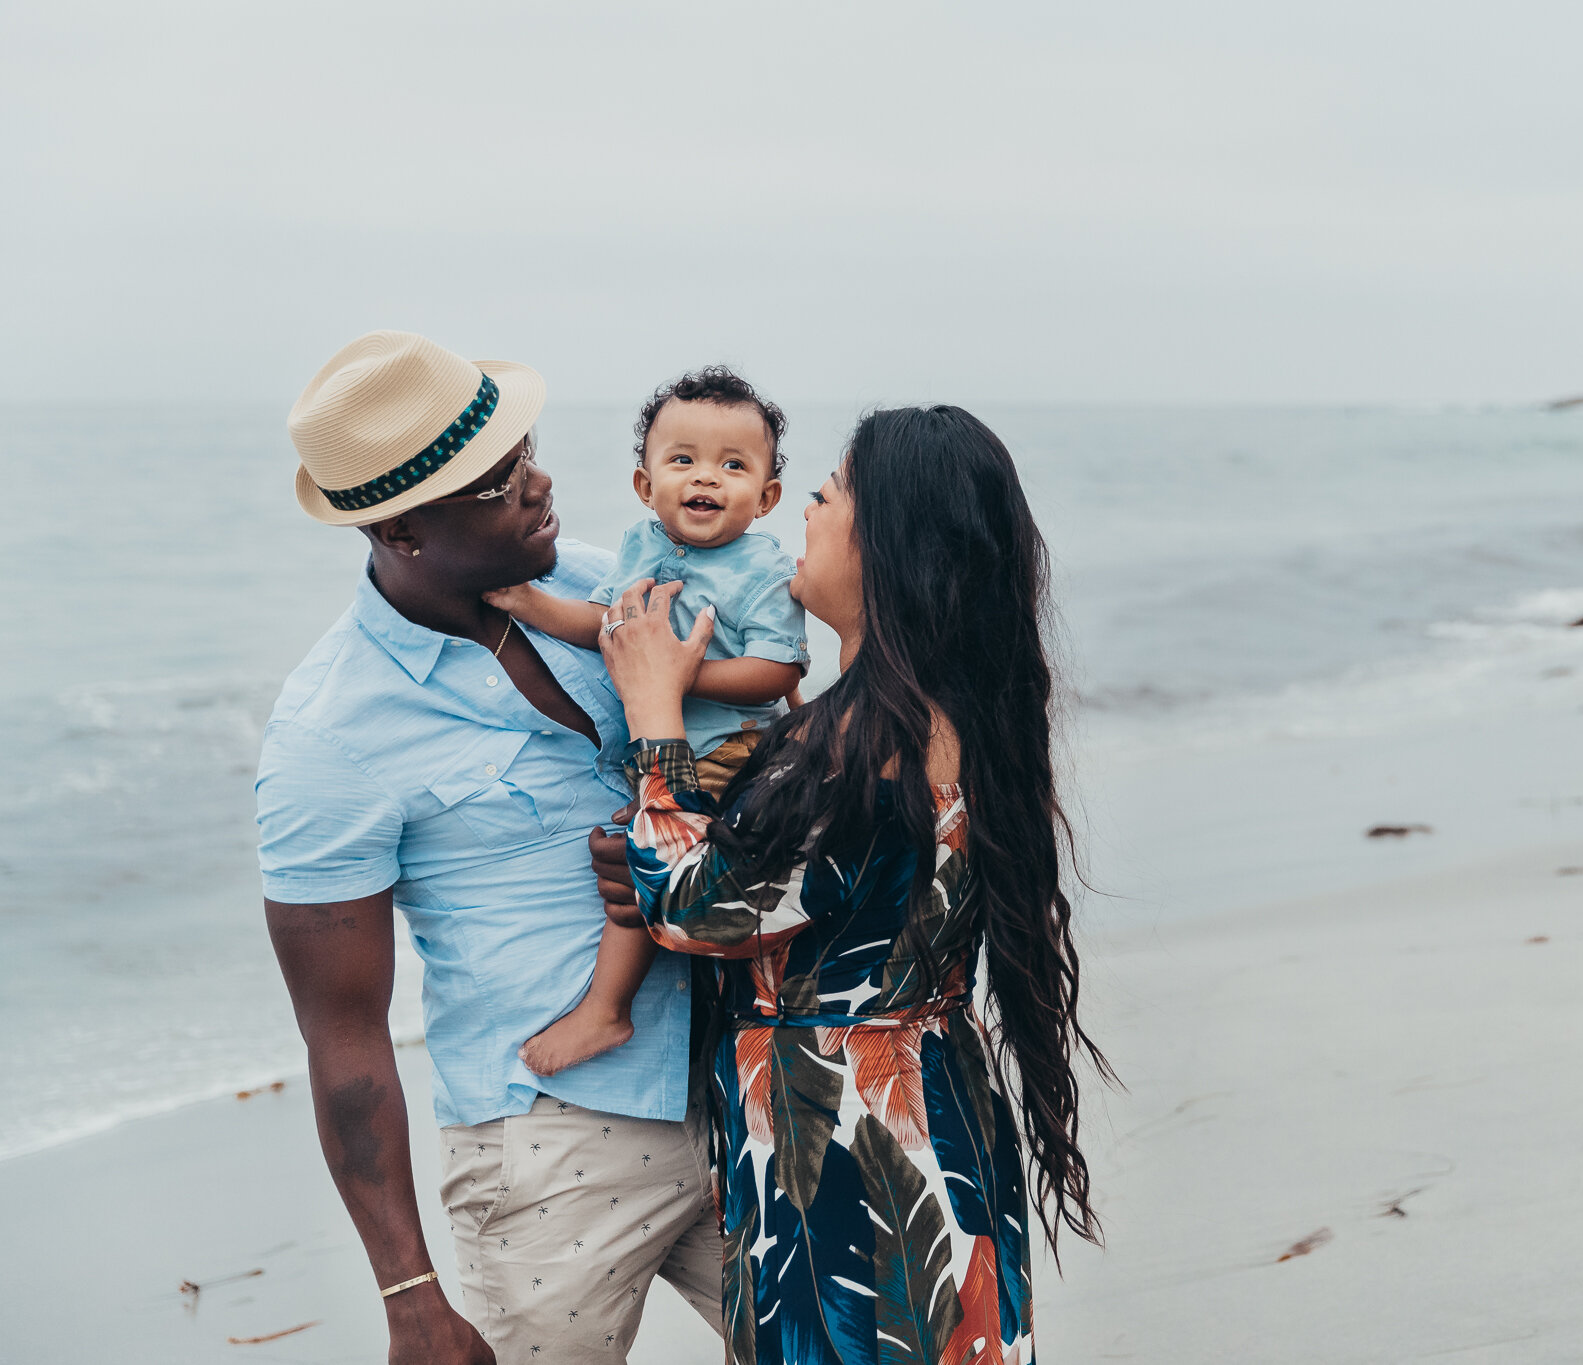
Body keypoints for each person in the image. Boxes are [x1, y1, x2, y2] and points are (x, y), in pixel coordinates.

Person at [592, 405, 1109, 1364]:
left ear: (885, 544)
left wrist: (654, 715)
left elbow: (697, 909)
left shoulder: (856, 744)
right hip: (938, 1094)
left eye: (826, 496)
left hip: (838, 1130)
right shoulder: (964, 715)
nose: (806, 515)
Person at [255, 330, 722, 1364]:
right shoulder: (329, 737)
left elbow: (768, 765)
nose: (538, 482)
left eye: (527, 453)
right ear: (402, 528)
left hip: (742, 1081)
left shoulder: (611, 594)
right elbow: (342, 1034)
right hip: (552, 1141)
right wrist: (408, 1294)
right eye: (498, 481)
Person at [486, 367, 809, 1077]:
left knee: (658, 868)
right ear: (644, 483)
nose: (707, 478)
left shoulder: (764, 567)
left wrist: (675, 673)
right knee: (635, 858)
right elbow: (606, 627)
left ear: (767, 496)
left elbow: (778, 671)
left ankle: (608, 1008)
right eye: (683, 460)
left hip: (734, 750)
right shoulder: (638, 547)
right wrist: (530, 605)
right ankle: (628, 1008)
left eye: (734, 466)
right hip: (661, 751)